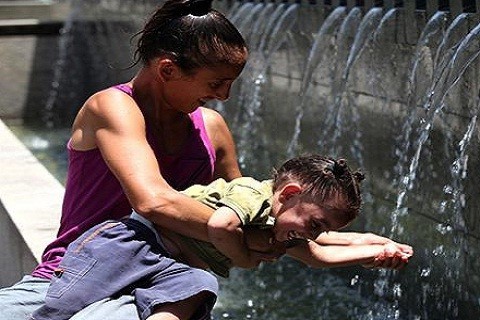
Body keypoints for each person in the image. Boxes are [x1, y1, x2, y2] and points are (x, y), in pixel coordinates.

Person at [0, 0, 253, 319]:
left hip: (165, 286)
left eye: (231, 83)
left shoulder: (213, 129)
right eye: (216, 83)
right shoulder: (112, 106)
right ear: (167, 69)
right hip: (75, 275)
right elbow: (153, 202)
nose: (224, 96)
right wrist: (237, 233)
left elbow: (249, 204)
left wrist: (311, 236)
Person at [31, 155, 413, 320]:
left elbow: (322, 254)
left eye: (322, 229)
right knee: (66, 304)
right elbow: (220, 226)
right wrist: (244, 258)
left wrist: (378, 248)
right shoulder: (250, 193)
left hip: (176, 267)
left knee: (196, 288)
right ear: (290, 195)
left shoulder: (286, 223)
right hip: (133, 244)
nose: (313, 234)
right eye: (315, 224)